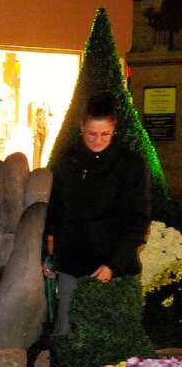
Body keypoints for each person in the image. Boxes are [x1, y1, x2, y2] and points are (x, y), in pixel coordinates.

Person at [43, 93, 151, 335]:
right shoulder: (67, 160)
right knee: (67, 333)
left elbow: (137, 219)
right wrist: (47, 253)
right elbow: (53, 210)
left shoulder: (130, 164)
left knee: (110, 337)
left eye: (105, 134)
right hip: (72, 262)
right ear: (81, 127)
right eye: (92, 133)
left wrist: (114, 264)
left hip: (113, 265)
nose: (98, 140)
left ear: (114, 130)